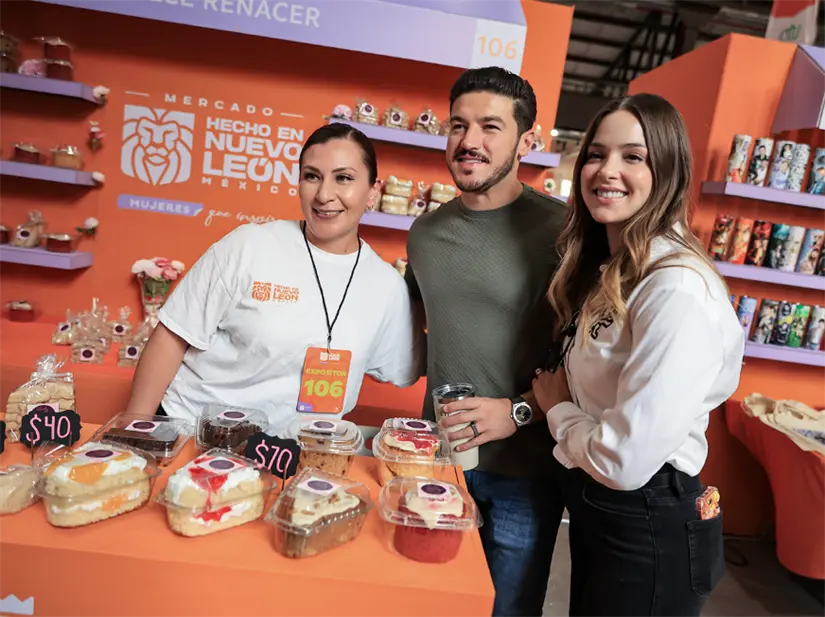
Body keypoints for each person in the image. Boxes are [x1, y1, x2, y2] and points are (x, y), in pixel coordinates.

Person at [532, 93, 745, 617]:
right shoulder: (618, 267)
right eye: (596, 154)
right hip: (606, 509)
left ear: (667, 171)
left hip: (647, 515)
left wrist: (558, 409)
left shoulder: (675, 289)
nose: (607, 171)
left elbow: (623, 460)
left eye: (633, 157)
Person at [124, 123, 424, 433]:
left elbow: (406, 365)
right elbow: (171, 337)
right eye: (312, 176)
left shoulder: (386, 286)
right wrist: (133, 432)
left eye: (343, 178)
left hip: (291, 455)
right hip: (195, 435)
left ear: (373, 192)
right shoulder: (248, 245)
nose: (324, 194)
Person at [405, 66, 567, 617]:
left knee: (508, 608)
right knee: (427, 600)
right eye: (458, 125)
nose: (469, 142)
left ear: (527, 141)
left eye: (490, 127)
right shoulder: (425, 234)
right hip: (438, 460)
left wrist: (519, 410)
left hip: (527, 470)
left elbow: (597, 360)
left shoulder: (564, 234)